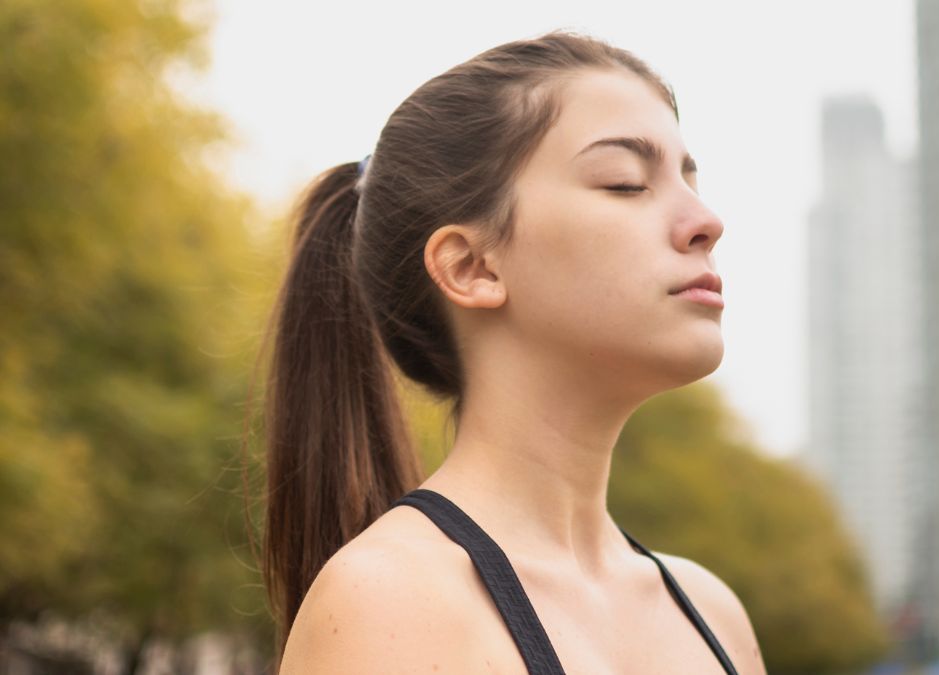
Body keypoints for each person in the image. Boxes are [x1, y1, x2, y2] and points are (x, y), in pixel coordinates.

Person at [254, 28, 767, 674]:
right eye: (625, 182)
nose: (706, 221)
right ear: (471, 266)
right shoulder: (389, 603)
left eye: (690, 179)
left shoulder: (711, 614)